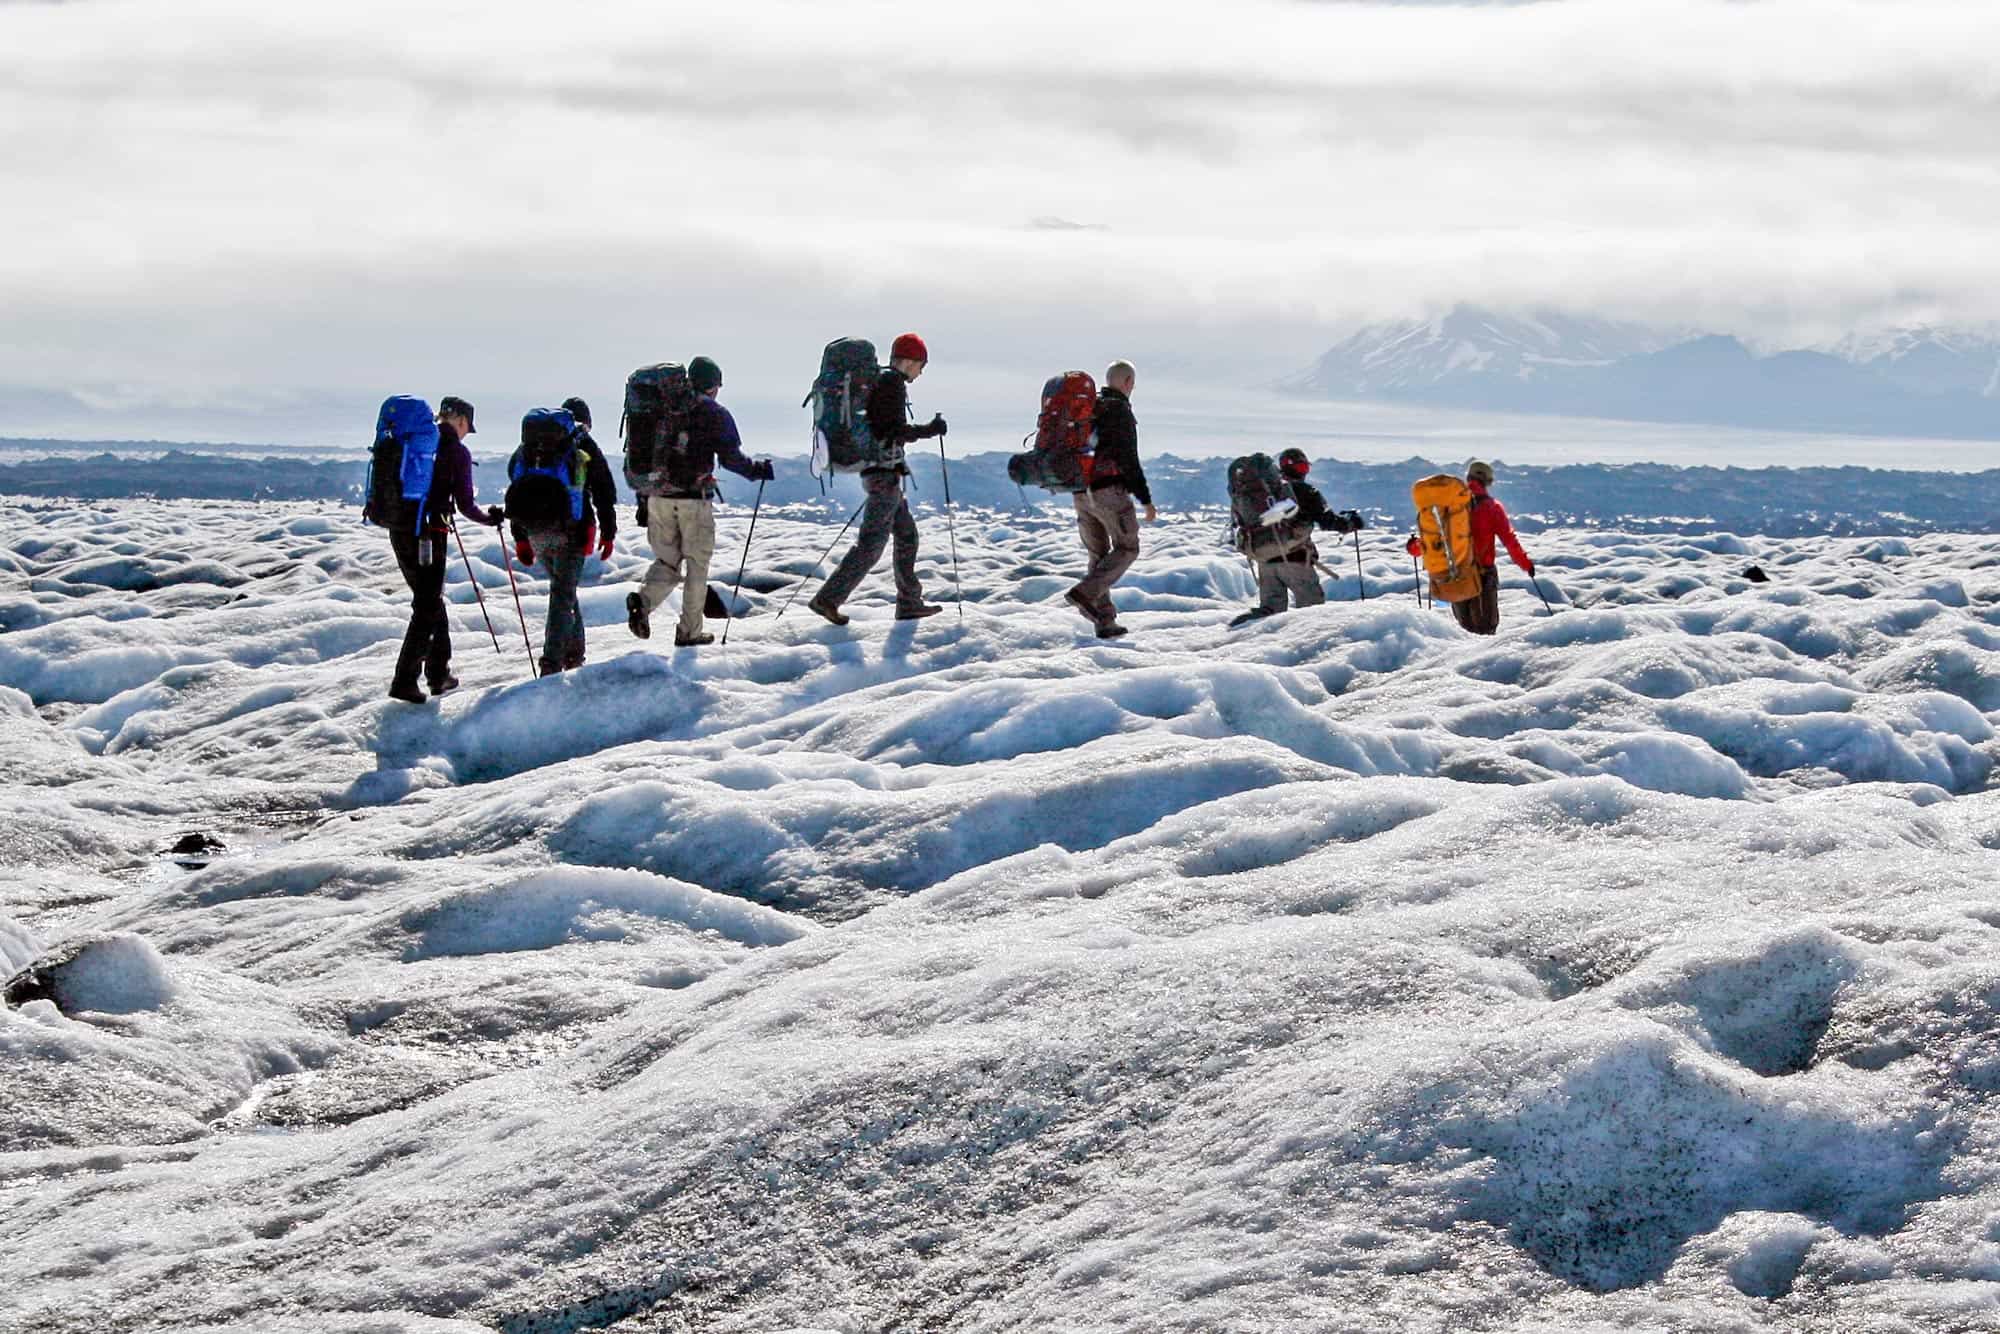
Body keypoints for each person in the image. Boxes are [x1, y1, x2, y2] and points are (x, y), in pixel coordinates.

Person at [626, 357, 773, 647]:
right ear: (714, 386)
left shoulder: (661, 409)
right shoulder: (713, 412)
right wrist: (757, 471)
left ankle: (642, 604)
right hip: (693, 499)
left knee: (667, 561)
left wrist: (644, 498)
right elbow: (731, 459)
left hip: (657, 496)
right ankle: (689, 632)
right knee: (696, 565)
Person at [807, 332, 946, 625]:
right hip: (884, 475)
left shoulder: (880, 382)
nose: (920, 373)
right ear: (910, 361)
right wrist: (930, 429)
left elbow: (882, 427)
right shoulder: (892, 383)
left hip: (880, 472)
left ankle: (909, 601)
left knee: (907, 535)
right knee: (871, 544)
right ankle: (828, 598)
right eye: (922, 365)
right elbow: (892, 430)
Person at [388, 395, 504, 703]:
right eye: (468, 427)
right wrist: (490, 519)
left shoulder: (413, 442)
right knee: (427, 606)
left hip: (400, 529)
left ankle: (438, 674)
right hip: (429, 536)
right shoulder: (456, 451)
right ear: (462, 421)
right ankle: (405, 679)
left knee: (429, 600)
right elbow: (466, 504)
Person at [508, 399, 618, 675]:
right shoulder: (582, 445)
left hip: (536, 531)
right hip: (572, 530)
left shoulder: (527, 450)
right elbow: (604, 490)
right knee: (562, 594)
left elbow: (518, 491)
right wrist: (607, 532)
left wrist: (521, 537)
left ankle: (574, 654)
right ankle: (552, 663)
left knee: (564, 592)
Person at [1062, 360, 1155, 639]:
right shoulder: (1120, 410)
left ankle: (1104, 621)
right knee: (1128, 548)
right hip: (1108, 491)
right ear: (1128, 382)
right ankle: (1085, 593)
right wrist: (1145, 499)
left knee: (1098, 556)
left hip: (1081, 492)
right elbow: (1129, 459)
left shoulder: (1089, 408)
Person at [1229, 448, 1362, 626]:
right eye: (1303, 468)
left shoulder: (1267, 493)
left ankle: (1243, 637)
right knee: (1312, 612)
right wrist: (1351, 523)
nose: (1304, 472)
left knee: (1270, 612)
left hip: (1264, 556)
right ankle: (1309, 651)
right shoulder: (1305, 491)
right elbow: (1328, 521)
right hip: (1295, 557)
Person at [1455, 458, 1533, 635]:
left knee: (1462, 633)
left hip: (1456, 576)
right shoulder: (1492, 507)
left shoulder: (1451, 506)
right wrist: (1526, 565)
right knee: (1485, 631)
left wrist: (1415, 548)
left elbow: (1434, 538)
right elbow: (1509, 541)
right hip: (1483, 576)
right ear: (1488, 481)